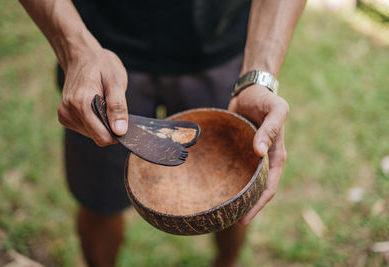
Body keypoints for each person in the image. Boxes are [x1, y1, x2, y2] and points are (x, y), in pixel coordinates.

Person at [19, 0, 305, 266]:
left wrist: (259, 75)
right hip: (101, 53)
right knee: (99, 201)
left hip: (220, 45)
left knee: (234, 192)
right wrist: (74, 47)